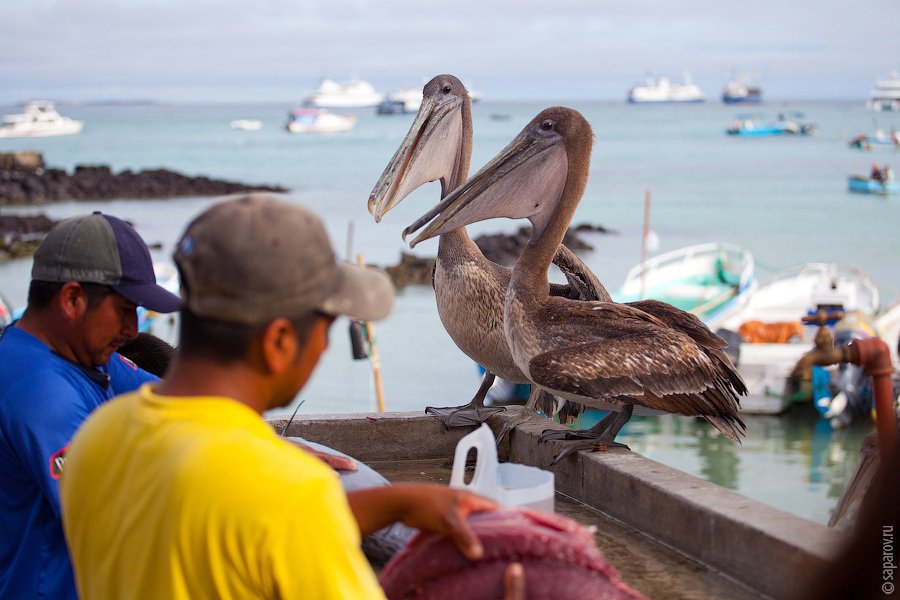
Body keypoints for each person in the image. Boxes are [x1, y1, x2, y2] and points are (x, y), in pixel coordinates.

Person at [60, 194, 517, 599]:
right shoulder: (288, 492)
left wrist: (396, 503)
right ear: (278, 342)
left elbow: (229, 529)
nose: (324, 348)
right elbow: (273, 516)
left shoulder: (98, 437)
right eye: (325, 328)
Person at [0, 212, 182, 599]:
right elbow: (111, 521)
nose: (133, 330)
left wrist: (261, 444)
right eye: (124, 309)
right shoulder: (39, 390)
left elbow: (180, 404)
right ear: (72, 299)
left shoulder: (86, 360)